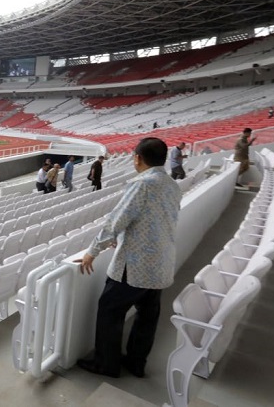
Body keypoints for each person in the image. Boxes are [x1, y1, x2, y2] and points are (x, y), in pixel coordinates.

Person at [75, 137, 181, 378]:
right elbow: (156, 220)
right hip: (161, 265)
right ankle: (136, 362)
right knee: (147, 317)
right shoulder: (172, 185)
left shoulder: (142, 184)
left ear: (137, 158)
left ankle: (106, 364)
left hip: (135, 265)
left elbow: (116, 220)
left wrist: (93, 251)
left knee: (110, 310)